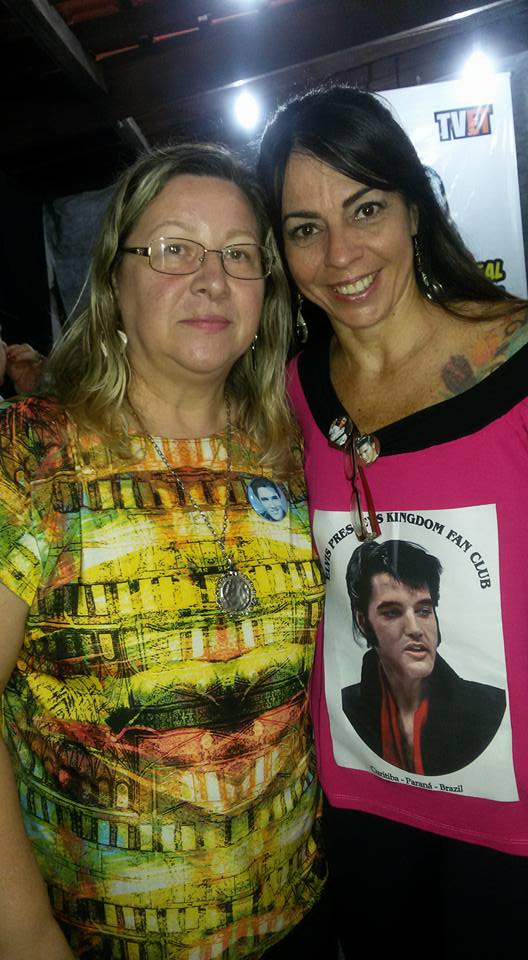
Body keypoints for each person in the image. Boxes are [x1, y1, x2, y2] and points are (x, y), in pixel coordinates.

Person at [0, 144, 334, 959]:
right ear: (113, 281)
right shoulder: (32, 454)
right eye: (174, 248)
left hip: (300, 918)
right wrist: (25, 934)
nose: (212, 279)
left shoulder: (292, 451)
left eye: (239, 255)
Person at [258, 84, 528, 955]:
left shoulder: (517, 359)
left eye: (366, 208)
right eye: (305, 228)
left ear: (414, 206)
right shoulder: (287, 396)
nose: (341, 254)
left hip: (514, 833)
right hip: (364, 811)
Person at [343, 539, 505, 776]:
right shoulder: (345, 708)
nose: (415, 628)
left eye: (424, 611)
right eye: (392, 612)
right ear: (363, 622)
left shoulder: (492, 708)